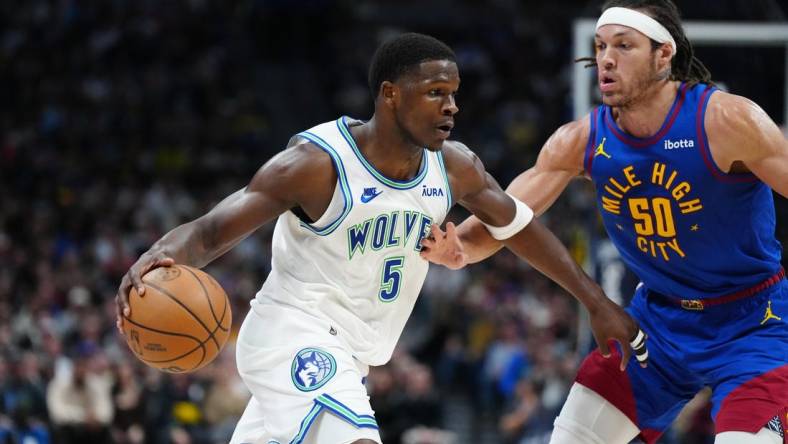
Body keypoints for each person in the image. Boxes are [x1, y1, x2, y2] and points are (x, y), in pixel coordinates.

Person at [115, 33, 645, 444]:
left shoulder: (453, 168)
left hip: (356, 355)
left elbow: (519, 225)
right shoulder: (318, 163)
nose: (451, 107)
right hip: (294, 335)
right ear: (391, 95)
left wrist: (596, 302)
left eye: (454, 94)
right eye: (435, 93)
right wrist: (161, 253)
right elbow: (210, 231)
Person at [421, 1, 788, 443]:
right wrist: (456, 248)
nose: (606, 59)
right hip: (658, 322)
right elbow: (507, 216)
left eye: (624, 45)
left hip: (753, 322)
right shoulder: (579, 140)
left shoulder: (726, 120)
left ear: (663, 54)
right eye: (600, 46)